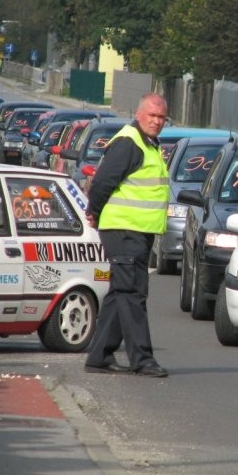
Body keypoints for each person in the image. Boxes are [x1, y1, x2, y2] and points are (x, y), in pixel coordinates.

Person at [84, 93, 170, 378]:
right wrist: (94, 212)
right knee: (131, 293)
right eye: (152, 116)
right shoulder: (128, 143)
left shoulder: (148, 144)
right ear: (138, 113)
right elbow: (101, 183)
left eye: (161, 117)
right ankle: (142, 360)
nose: (157, 121)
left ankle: (99, 356)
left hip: (138, 230)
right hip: (123, 230)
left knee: (121, 294)